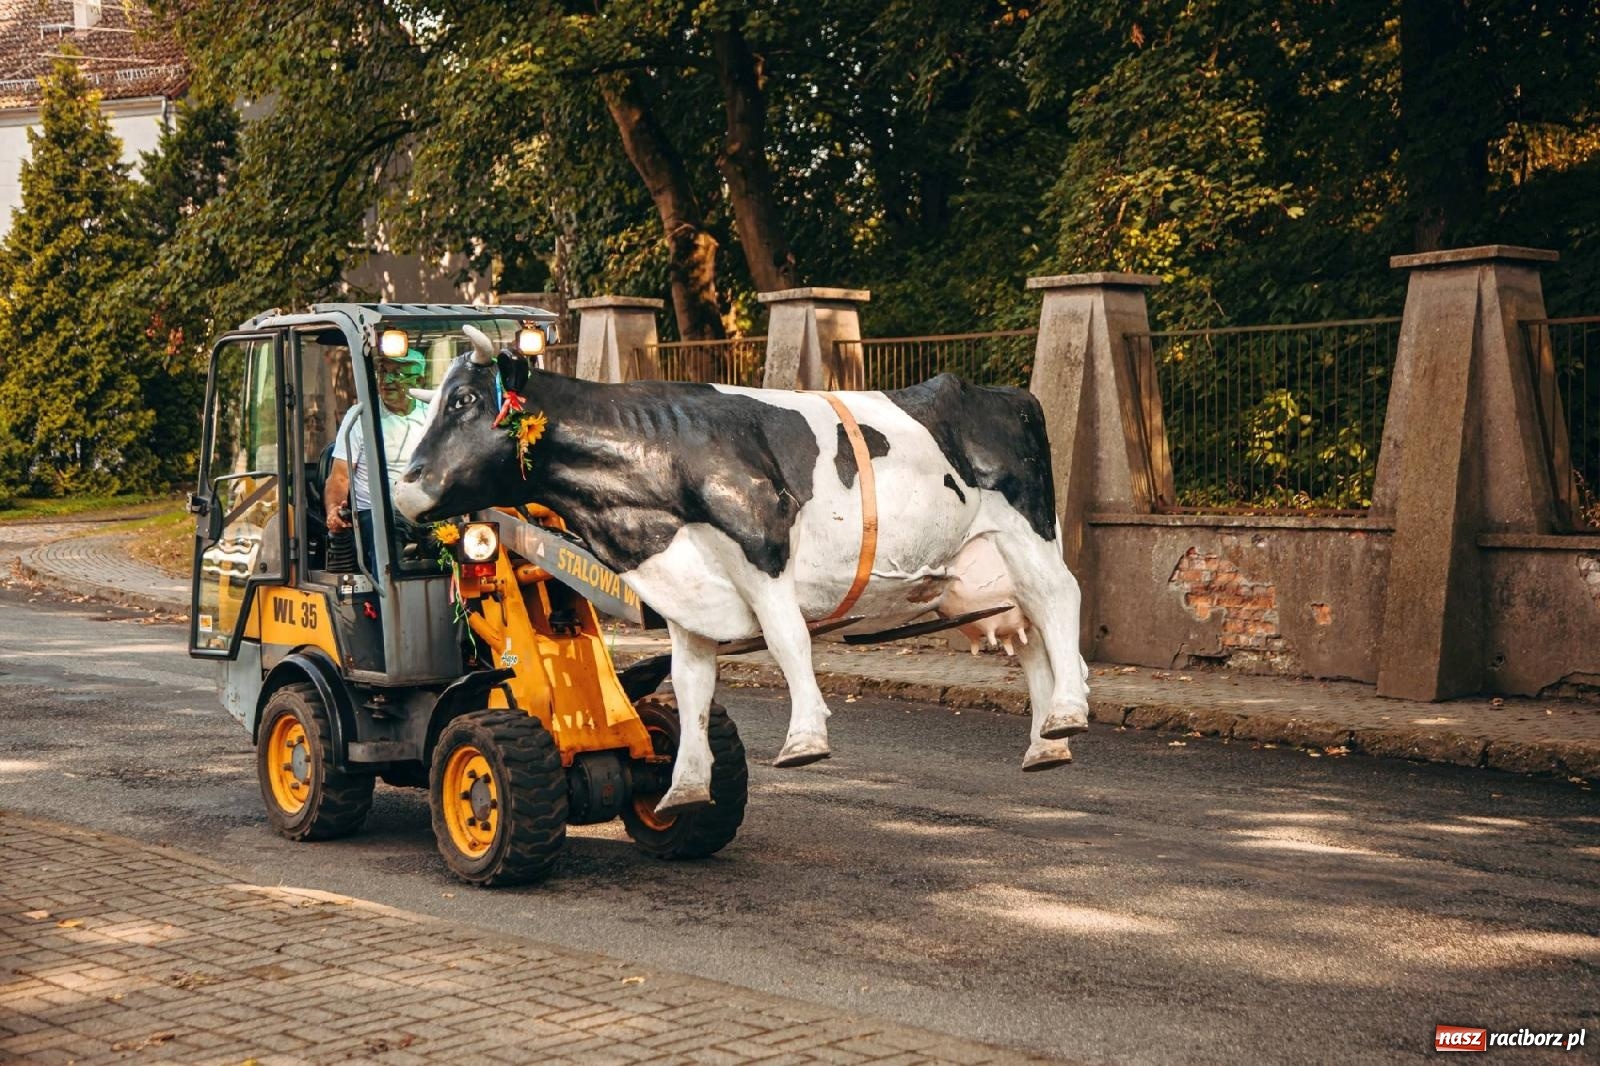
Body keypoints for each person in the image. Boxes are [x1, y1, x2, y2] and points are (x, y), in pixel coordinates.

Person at [325, 347, 431, 568]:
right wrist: (334, 508)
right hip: (378, 513)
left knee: (465, 541)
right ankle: (387, 589)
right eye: (383, 372)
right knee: (388, 537)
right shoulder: (361, 416)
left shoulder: (433, 415)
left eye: (397, 373)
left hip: (428, 510)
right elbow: (340, 477)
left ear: (420, 381)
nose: (387, 380)